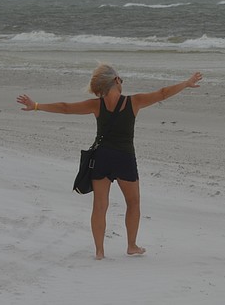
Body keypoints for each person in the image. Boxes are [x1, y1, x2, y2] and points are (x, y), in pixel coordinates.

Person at [16, 64, 202, 259]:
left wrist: (36, 106)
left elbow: (66, 108)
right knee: (133, 202)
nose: (122, 83)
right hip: (125, 159)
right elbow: (163, 93)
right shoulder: (134, 101)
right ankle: (131, 246)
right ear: (115, 81)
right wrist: (186, 83)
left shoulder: (97, 105)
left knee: (100, 205)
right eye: (121, 79)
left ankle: (99, 251)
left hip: (102, 158)